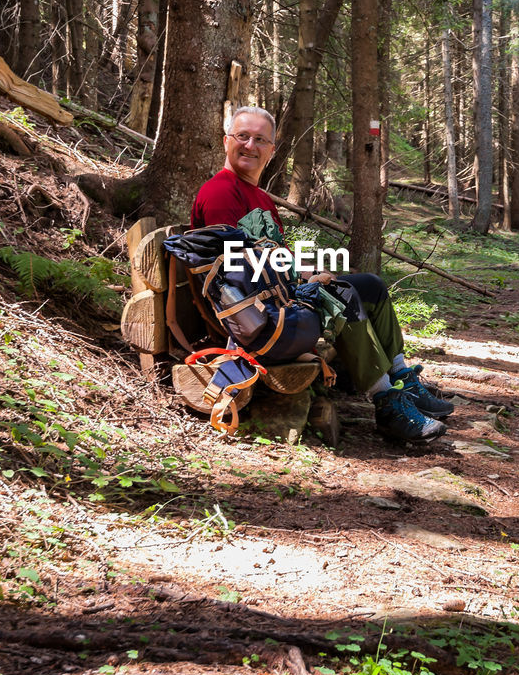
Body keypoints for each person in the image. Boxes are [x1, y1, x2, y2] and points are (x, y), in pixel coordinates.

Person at [191, 106, 452, 444]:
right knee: (342, 297)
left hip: (270, 293)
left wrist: (304, 271)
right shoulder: (221, 192)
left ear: (271, 151)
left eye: (260, 139)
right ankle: (387, 404)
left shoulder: (258, 196)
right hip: (249, 313)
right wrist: (298, 284)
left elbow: (269, 254)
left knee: (369, 286)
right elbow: (236, 271)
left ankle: (404, 380)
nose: (250, 146)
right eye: (242, 136)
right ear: (227, 141)